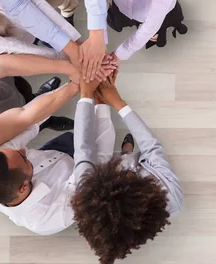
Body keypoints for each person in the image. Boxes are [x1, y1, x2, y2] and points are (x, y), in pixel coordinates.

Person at [0, 80, 117, 235]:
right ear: (23, 187)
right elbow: (97, 156)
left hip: (56, 152)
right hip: (79, 178)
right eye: (23, 158)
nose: (22, 150)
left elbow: (29, 122)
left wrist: (75, 85)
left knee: (71, 138)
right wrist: (100, 103)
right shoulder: (50, 216)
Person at [71, 71, 183, 264]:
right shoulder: (170, 195)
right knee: (124, 153)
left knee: (100, 150)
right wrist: (117, 101)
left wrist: (88, 95)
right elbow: (152, 148)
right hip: (138, 163)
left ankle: (125, 152)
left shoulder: (88, 196)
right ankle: (127, 151)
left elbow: (84, 149)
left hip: (103, 162)